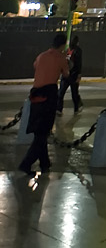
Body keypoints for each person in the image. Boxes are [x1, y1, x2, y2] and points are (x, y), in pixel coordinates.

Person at [19, 32, 69, 175]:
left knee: (39, 132)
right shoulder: (61, 58)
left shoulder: (41, 56)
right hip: (49, 96)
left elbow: (36, 66)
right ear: (63, 44)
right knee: (43, 133)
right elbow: (66, 74)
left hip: (35, 95)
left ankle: (45, 163)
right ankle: (26, 164)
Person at [57, 33, 83, 114]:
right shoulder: (78, 50)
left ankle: (59, 109)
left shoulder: (66, 50)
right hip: (74, 75)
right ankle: (76, 108)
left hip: (66, 74)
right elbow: (79, 63)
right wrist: (79, 75)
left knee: (61, 93)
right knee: (74, 93)